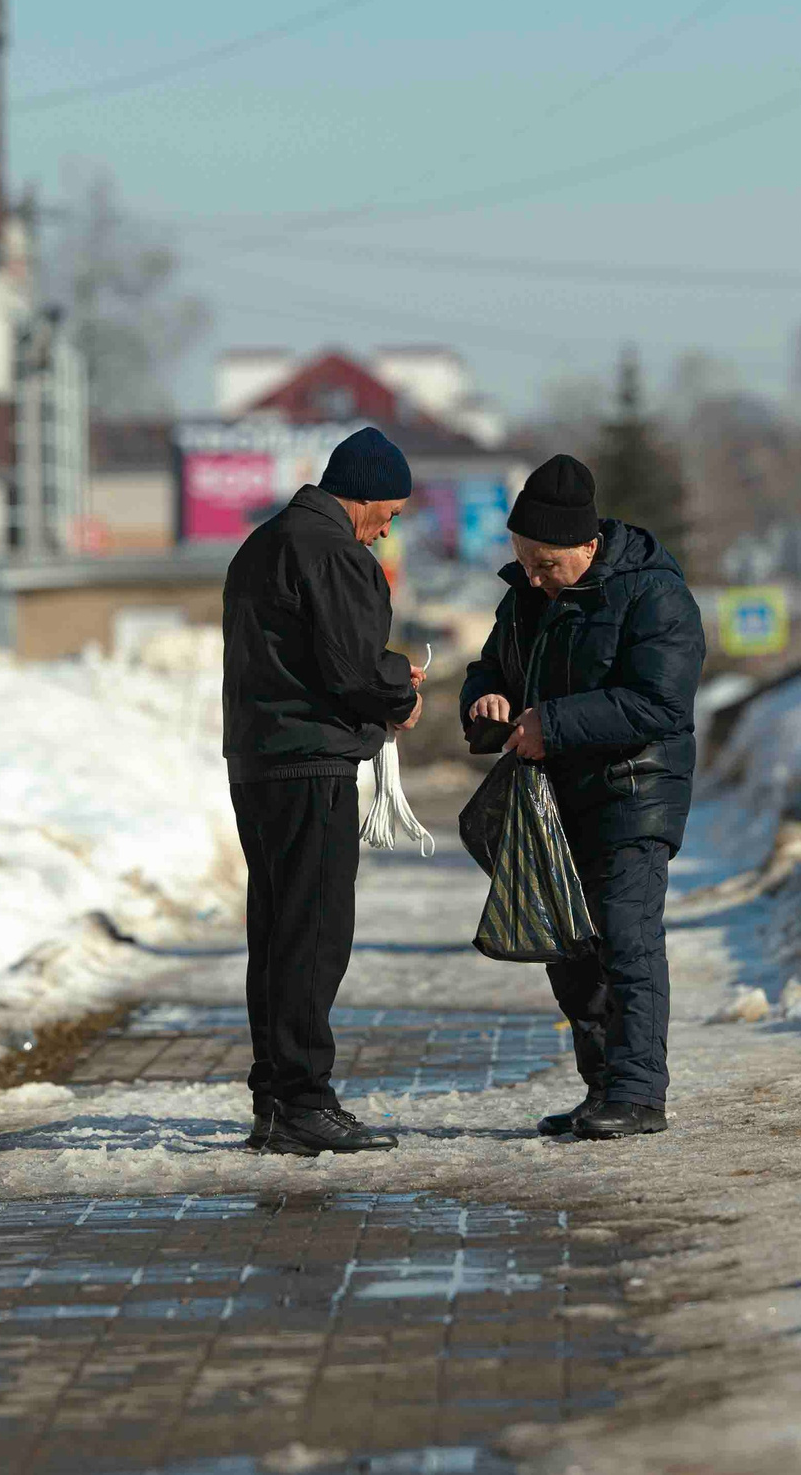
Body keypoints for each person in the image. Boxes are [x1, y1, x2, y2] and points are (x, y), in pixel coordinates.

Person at [461, 453, 704, 1140]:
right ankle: (602, 1091)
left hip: (633, 794)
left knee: (627, 943)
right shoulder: (526, 597)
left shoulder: (653, 595)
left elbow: (660, 703)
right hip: (552, 802)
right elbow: (487, 668)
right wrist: (487, 702)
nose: (534, 577)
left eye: (546, 563)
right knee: (569, 950)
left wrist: (554, 724)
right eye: (524, 561)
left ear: (588, 545)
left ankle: (638, 1093)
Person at [221, 425, 427, 1156]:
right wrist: (400, 688)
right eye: (389, 512)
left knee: (278, 936)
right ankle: (302, 1100)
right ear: (364, 494)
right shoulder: (333, 551)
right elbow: (351, 666)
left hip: (258, 762)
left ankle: (276, 1100)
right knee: (312, 936)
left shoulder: (265, 542)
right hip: (310, 765)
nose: (386, 528)